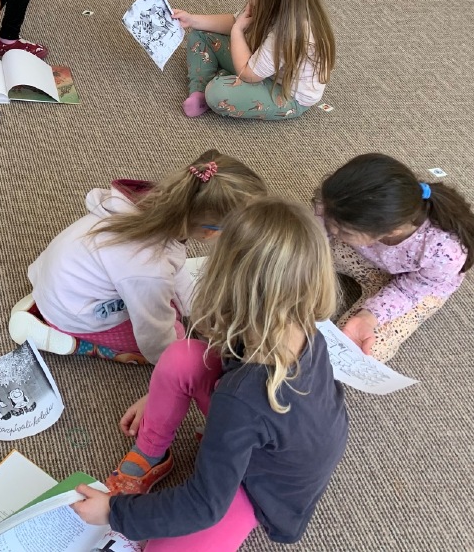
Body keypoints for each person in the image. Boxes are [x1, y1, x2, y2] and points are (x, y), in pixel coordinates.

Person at [72, 198, 348, 552]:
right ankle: (151, 454)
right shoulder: (301, 326)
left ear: (225, 279)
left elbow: (203, 506)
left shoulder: (240, 399)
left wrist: (113, 512)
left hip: (263, 491)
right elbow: (222, 361)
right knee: (182, 357)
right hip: (291, 438)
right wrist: (158, 397)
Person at [9, 151, 266, 364]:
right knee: (176, 341)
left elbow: (174, 269)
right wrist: (177, 355)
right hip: (74, 313)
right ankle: (65, 337)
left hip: (64, 283)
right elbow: (154, 335)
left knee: (171, 302)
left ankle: (46, 307)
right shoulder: (149, 268)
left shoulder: (160, 208)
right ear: (210, 233)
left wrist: (197, 309)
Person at [315, 153, 472, 362]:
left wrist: (368, 316)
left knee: (359, 351)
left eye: (343, 230)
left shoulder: (445, 252)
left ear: (392, 231)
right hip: (372, 257)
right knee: (291, 250)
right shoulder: (340, 203)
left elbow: (410, 290)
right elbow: (320, 228)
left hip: (417, 286)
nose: (333, 230)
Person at [171, 0, 335, 120]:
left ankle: (213, 87)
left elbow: (248, 74)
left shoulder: (289, 33)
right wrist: (192, 19)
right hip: (260, 65)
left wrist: (237, 32)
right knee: (200, 34)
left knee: (218, 93)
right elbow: (235, 21)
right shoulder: (275, 5)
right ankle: (199, 93)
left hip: (287, 93)